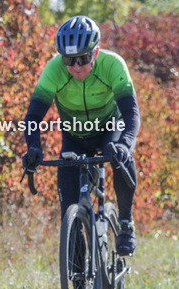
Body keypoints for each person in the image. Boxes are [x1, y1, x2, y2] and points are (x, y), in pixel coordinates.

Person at [21, 15, 140, 255]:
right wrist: (33, 146)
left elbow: (131, 112)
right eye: (69, 60)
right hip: (74, 136)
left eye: (83, 58)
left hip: (110, 130)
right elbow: (33, 117)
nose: (76, 67)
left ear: (96, 53)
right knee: (68, 211)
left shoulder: (113, 64)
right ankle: (79, 286)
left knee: (120, 158)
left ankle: (126, 223)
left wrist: (126, 144)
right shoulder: (54, 69)